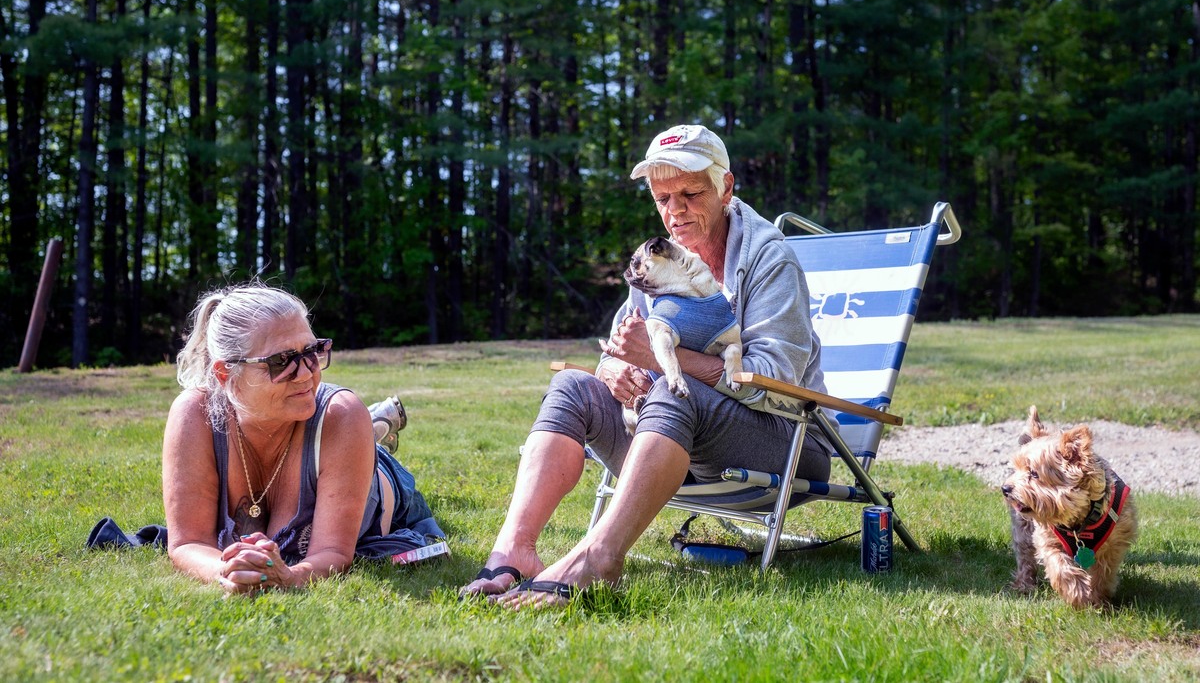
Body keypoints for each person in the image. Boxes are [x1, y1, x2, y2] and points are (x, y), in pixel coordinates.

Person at [459, 124, 834, 607]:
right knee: (573, 385)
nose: (674, 211)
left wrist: (670, 361)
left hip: (784, 440)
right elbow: (625, 344)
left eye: (690, 193)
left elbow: (775, 382)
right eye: (662, 198)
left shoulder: (768, 259)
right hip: (673, 443)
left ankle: (599, 557)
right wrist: (610, 368)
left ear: (726, 187)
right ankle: (514, 551)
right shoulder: (658, 262)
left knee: (676, 392)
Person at [164, 282, 443, 594]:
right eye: (281, 361)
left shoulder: (344, 415)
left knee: (353, 431)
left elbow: (334, 553)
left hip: (379, 481)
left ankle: (373, 438)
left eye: (311, 352)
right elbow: (188, 542)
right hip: (333, 444)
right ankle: (378, 426)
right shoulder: (196, 413)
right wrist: (227, 573)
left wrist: (287, 577)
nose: (307, 373)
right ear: (225, 374)